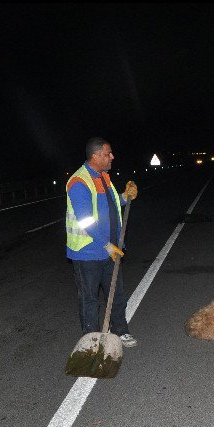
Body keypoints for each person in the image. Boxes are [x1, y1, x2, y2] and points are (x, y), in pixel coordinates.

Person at [66, 137, 139, 348]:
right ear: (96, 156)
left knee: (116, 294)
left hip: (111, 249)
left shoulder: (103, 177)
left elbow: (110, 204)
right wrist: (106, 245)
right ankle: (92, 340)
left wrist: (125, 196)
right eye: (108, 154)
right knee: (90, 300)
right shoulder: (79, 182)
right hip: (88, 253)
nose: (112, 157)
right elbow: (86, 220)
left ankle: (121, 331)